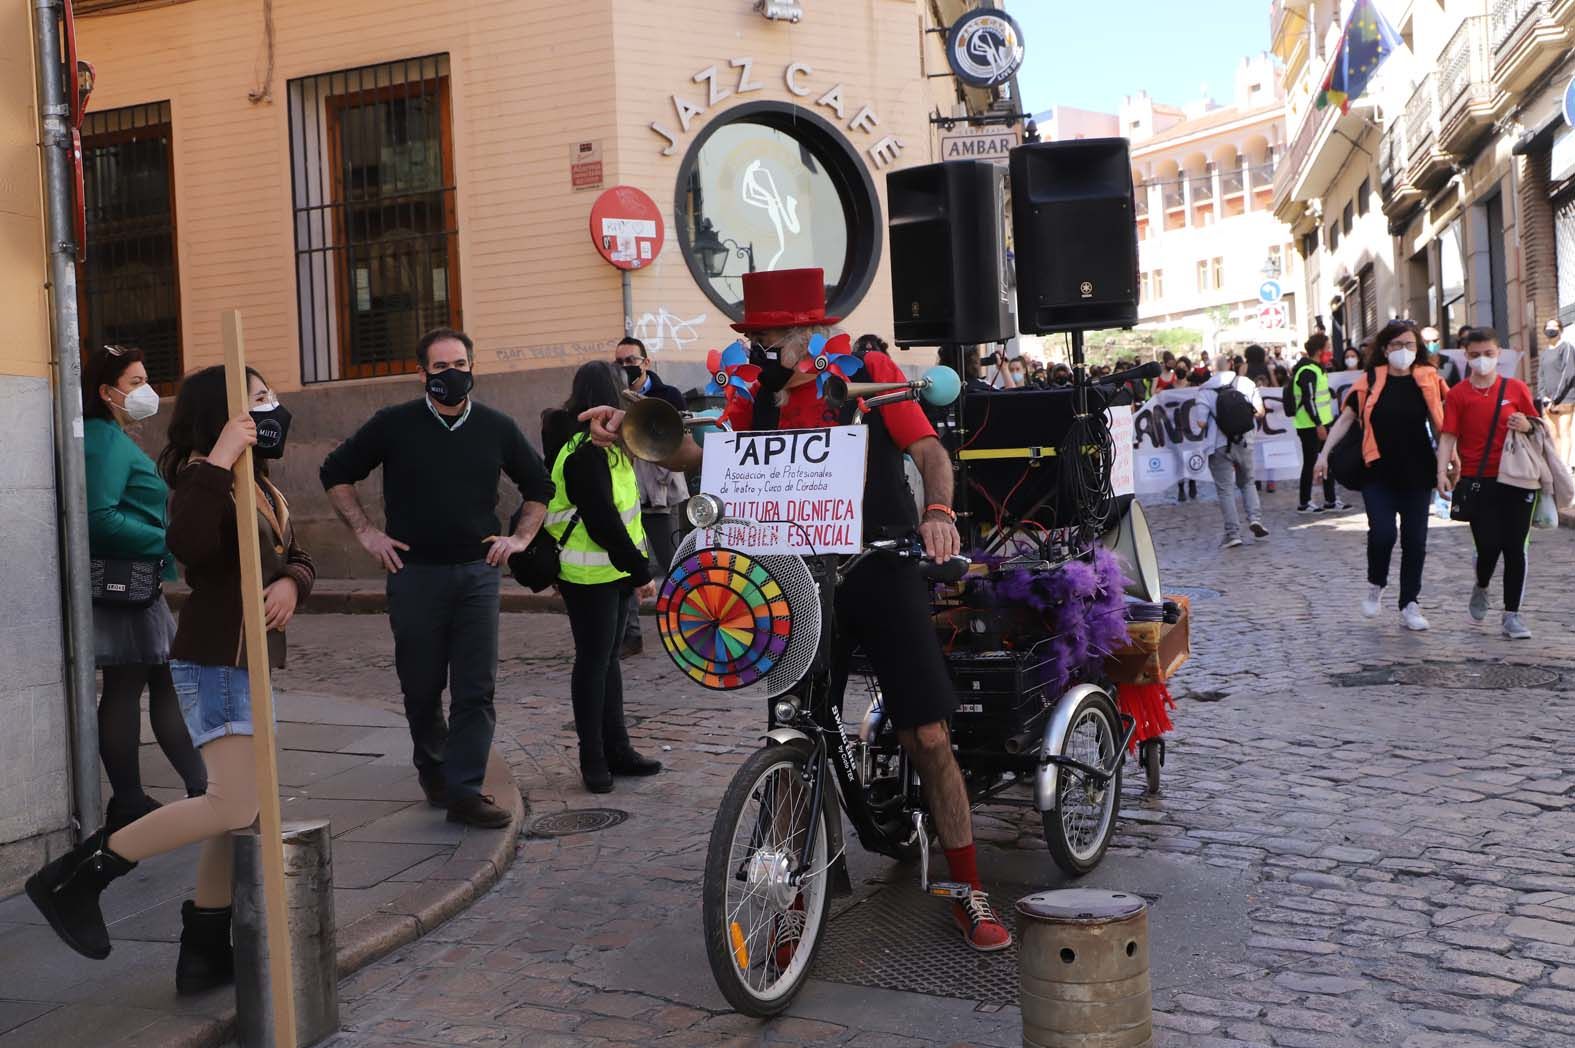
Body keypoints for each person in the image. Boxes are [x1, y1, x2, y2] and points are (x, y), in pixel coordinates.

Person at [580, 268, 1012, 953]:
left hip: (878, 561)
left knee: (927, 735)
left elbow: (927, 448)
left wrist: (936, 513)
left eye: (774, 332)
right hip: (793, 574)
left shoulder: (862, 372)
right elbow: (697, 451)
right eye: (755, 333)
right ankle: (788, 898)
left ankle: (967, 884)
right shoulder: (749, 392)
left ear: (809, 328)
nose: (764, 343)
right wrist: (632, 429)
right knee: (794, 730)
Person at [26, 364, 312, 993]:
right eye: (261, 400)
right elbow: (185, 543)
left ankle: (204, 947)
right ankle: (78, 878)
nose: (273, 409)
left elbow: (295, 553)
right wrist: (218, 459)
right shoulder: (198, 478)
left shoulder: (262, 485)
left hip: (253, 659)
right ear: (229, 416)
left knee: (244, 816)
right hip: (216, 660)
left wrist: (294, 581)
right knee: (232, 803)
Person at [320, 328, 552, 828]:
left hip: (477, 574)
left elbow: (538, 487)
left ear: (473, 367)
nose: (453, 374)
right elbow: (335, 473)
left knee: (475, 688)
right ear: (422, 372)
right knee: (421, 685)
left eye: (461, 364)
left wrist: (519, 541)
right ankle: (434, 767)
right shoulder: (393, 424)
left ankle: (466, 790)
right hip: (414, 574)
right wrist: (367, 533)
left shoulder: (496, 426)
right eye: (442, 367)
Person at [82, 346, 207, 831]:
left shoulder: (109, 436)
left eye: (144, 379)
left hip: (136, 583)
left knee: (155, 682)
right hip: (124, 586)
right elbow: (99, 518)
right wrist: (168, 541)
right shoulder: (103, 441)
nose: (145, 391)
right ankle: (145, 798)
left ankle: (193, 791)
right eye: (134, 383)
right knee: (128, 685)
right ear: (105, 392)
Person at [537, 363, 662, 792]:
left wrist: (635, 566)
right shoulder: (582, 451)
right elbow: (603, 520)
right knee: (593, 663)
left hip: (610, 571)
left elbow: (629, 517)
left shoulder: (611, 448)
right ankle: (593, 759)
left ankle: (618, 750)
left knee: (608, 662)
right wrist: (642, 570)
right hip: (586, 575)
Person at [1315, 320, 1449, 632]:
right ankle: (1377, 583)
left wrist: (1447, 466)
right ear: (1385, 349)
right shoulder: (1370, 380)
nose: (1404, 351)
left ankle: (1409, 603)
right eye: (1397, 345)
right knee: (1383, 534)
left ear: (1419, 348)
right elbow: (1345, 420)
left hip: (1418, 471)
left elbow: (1445, 425)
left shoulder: (1429, 379)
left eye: (1410, 345)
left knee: (1415, 541)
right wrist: (1323, 455)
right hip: (1377, 471)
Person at [1437, 330, 1541, 639]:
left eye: (1489, 353)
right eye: (1475, 354)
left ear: (1499, 354)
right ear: (1465, 356)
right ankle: (1481, 584)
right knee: (1488, 548)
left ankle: (1512, 616)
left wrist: (1526, 424)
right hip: (1477, 480)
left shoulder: (1516, 388)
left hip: (1518, 477)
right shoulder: (1457, 394)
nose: (1483, 359)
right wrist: (1442, 470)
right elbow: (1448, 436)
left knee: (1515, 547)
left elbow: (1537, 426)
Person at [613, 336, 687, 658]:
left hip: (660, 489)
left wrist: (640, 408)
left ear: (646, 362)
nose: (626, 367)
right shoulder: (612, 395)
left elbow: (679, 437)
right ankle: (631, 635)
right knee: (627, 564)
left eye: (631, 361)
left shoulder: (667, 395)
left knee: (673, 561)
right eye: (620, 363)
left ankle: (686, 624)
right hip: (627, 490)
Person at [1199, 362, 1268, 548]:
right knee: (1247, 482)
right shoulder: (1246, 383)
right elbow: (1261, 412)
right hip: (1245, 441)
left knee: (1225, 489)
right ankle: (1255, 518)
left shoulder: (1204, 390)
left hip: (1218, 445)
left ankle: (1233, 533)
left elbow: (1200, 422)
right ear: (1230, 365)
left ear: (1213, 368)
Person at [1288, 334, 1341, 512]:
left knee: (1328, 460)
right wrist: (1318, 424)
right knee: (1310, 462)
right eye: (1328, 347)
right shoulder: (1307, 371)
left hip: (1321, 423)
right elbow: (1309, 400)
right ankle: (1304, 502)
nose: (1330, 351)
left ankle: (1331, 500)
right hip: (1310, 425)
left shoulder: (1317, 369)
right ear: (1319, 351)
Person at [1539, 319, 1575, 468]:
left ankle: (1565, 466)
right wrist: (1543, 396)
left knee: (1564, 430)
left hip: (1565, 398)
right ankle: (1557, 465)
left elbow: (1568, 372)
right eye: (1548, 327)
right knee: (1552, 434)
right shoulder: (1544, 353)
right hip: (1547, 400)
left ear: (1560, 330)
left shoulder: (1566, 348)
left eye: (1554, 326)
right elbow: (1540, 375)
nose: (1551, 329)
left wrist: (1556, 397)